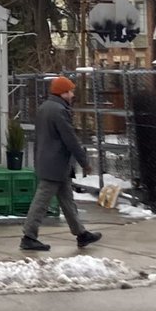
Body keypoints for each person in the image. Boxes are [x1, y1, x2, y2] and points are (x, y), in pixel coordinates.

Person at [19, 76, 103, 252]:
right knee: (41, 201)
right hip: (55, 164)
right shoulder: (59, 111)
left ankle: (81, 234)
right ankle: (29, 236)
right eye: (70, 91)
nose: (72, 95)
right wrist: (84, 162)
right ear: (62, 93)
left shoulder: (45, 107)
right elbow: (70, 138)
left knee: (67, 200)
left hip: (50, 162)